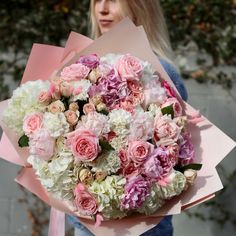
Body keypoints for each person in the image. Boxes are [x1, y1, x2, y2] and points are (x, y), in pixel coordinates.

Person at [68, 0, 188, 235]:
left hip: (145, 228)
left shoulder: (162, 71)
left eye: (113, 0)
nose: (102, 9)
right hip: (87, 226)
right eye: (97, 0)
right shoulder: (81, 67)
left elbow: (178, 157)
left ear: (139, 6)